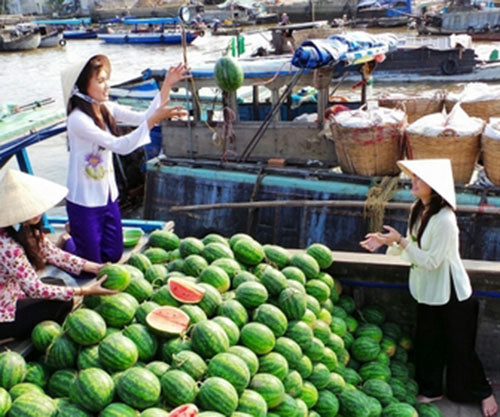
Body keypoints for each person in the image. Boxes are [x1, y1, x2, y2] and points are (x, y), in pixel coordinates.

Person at [360, 159, 498, 417]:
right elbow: (412, 249)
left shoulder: (445, 220)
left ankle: (484, 392)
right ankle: (432, 389)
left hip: (451, 293)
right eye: (414, 177)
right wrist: (386, 243)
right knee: (427, 342)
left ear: (433, 187)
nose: (413, 181)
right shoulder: (417, 209)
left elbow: (431, 261)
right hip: (427, 290)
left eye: (419, 179)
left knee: (460, 348)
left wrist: (399, 241)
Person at [60, 54, 189, 264]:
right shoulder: (77, 120)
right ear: (83, 86)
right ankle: (68, 242)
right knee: (89, 265)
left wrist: (167, 84)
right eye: (100, 81)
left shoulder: (106, 108)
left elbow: (143, 117)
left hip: (107, 196)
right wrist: (155, 120)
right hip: (84, 200)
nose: (107, 86)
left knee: (113, 255)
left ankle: (76, 235)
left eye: (106, 80)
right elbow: (121, 146)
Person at [0, 169, 116, 341]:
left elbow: (55, 254)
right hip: (3, 313)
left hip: (13, 294)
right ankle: (15, 337)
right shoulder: (8, 245)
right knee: (63, 301)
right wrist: (85, 290)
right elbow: (35, 289)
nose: (37, 212)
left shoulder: (25, 228)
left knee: (58, 283)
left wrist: (97, 268)